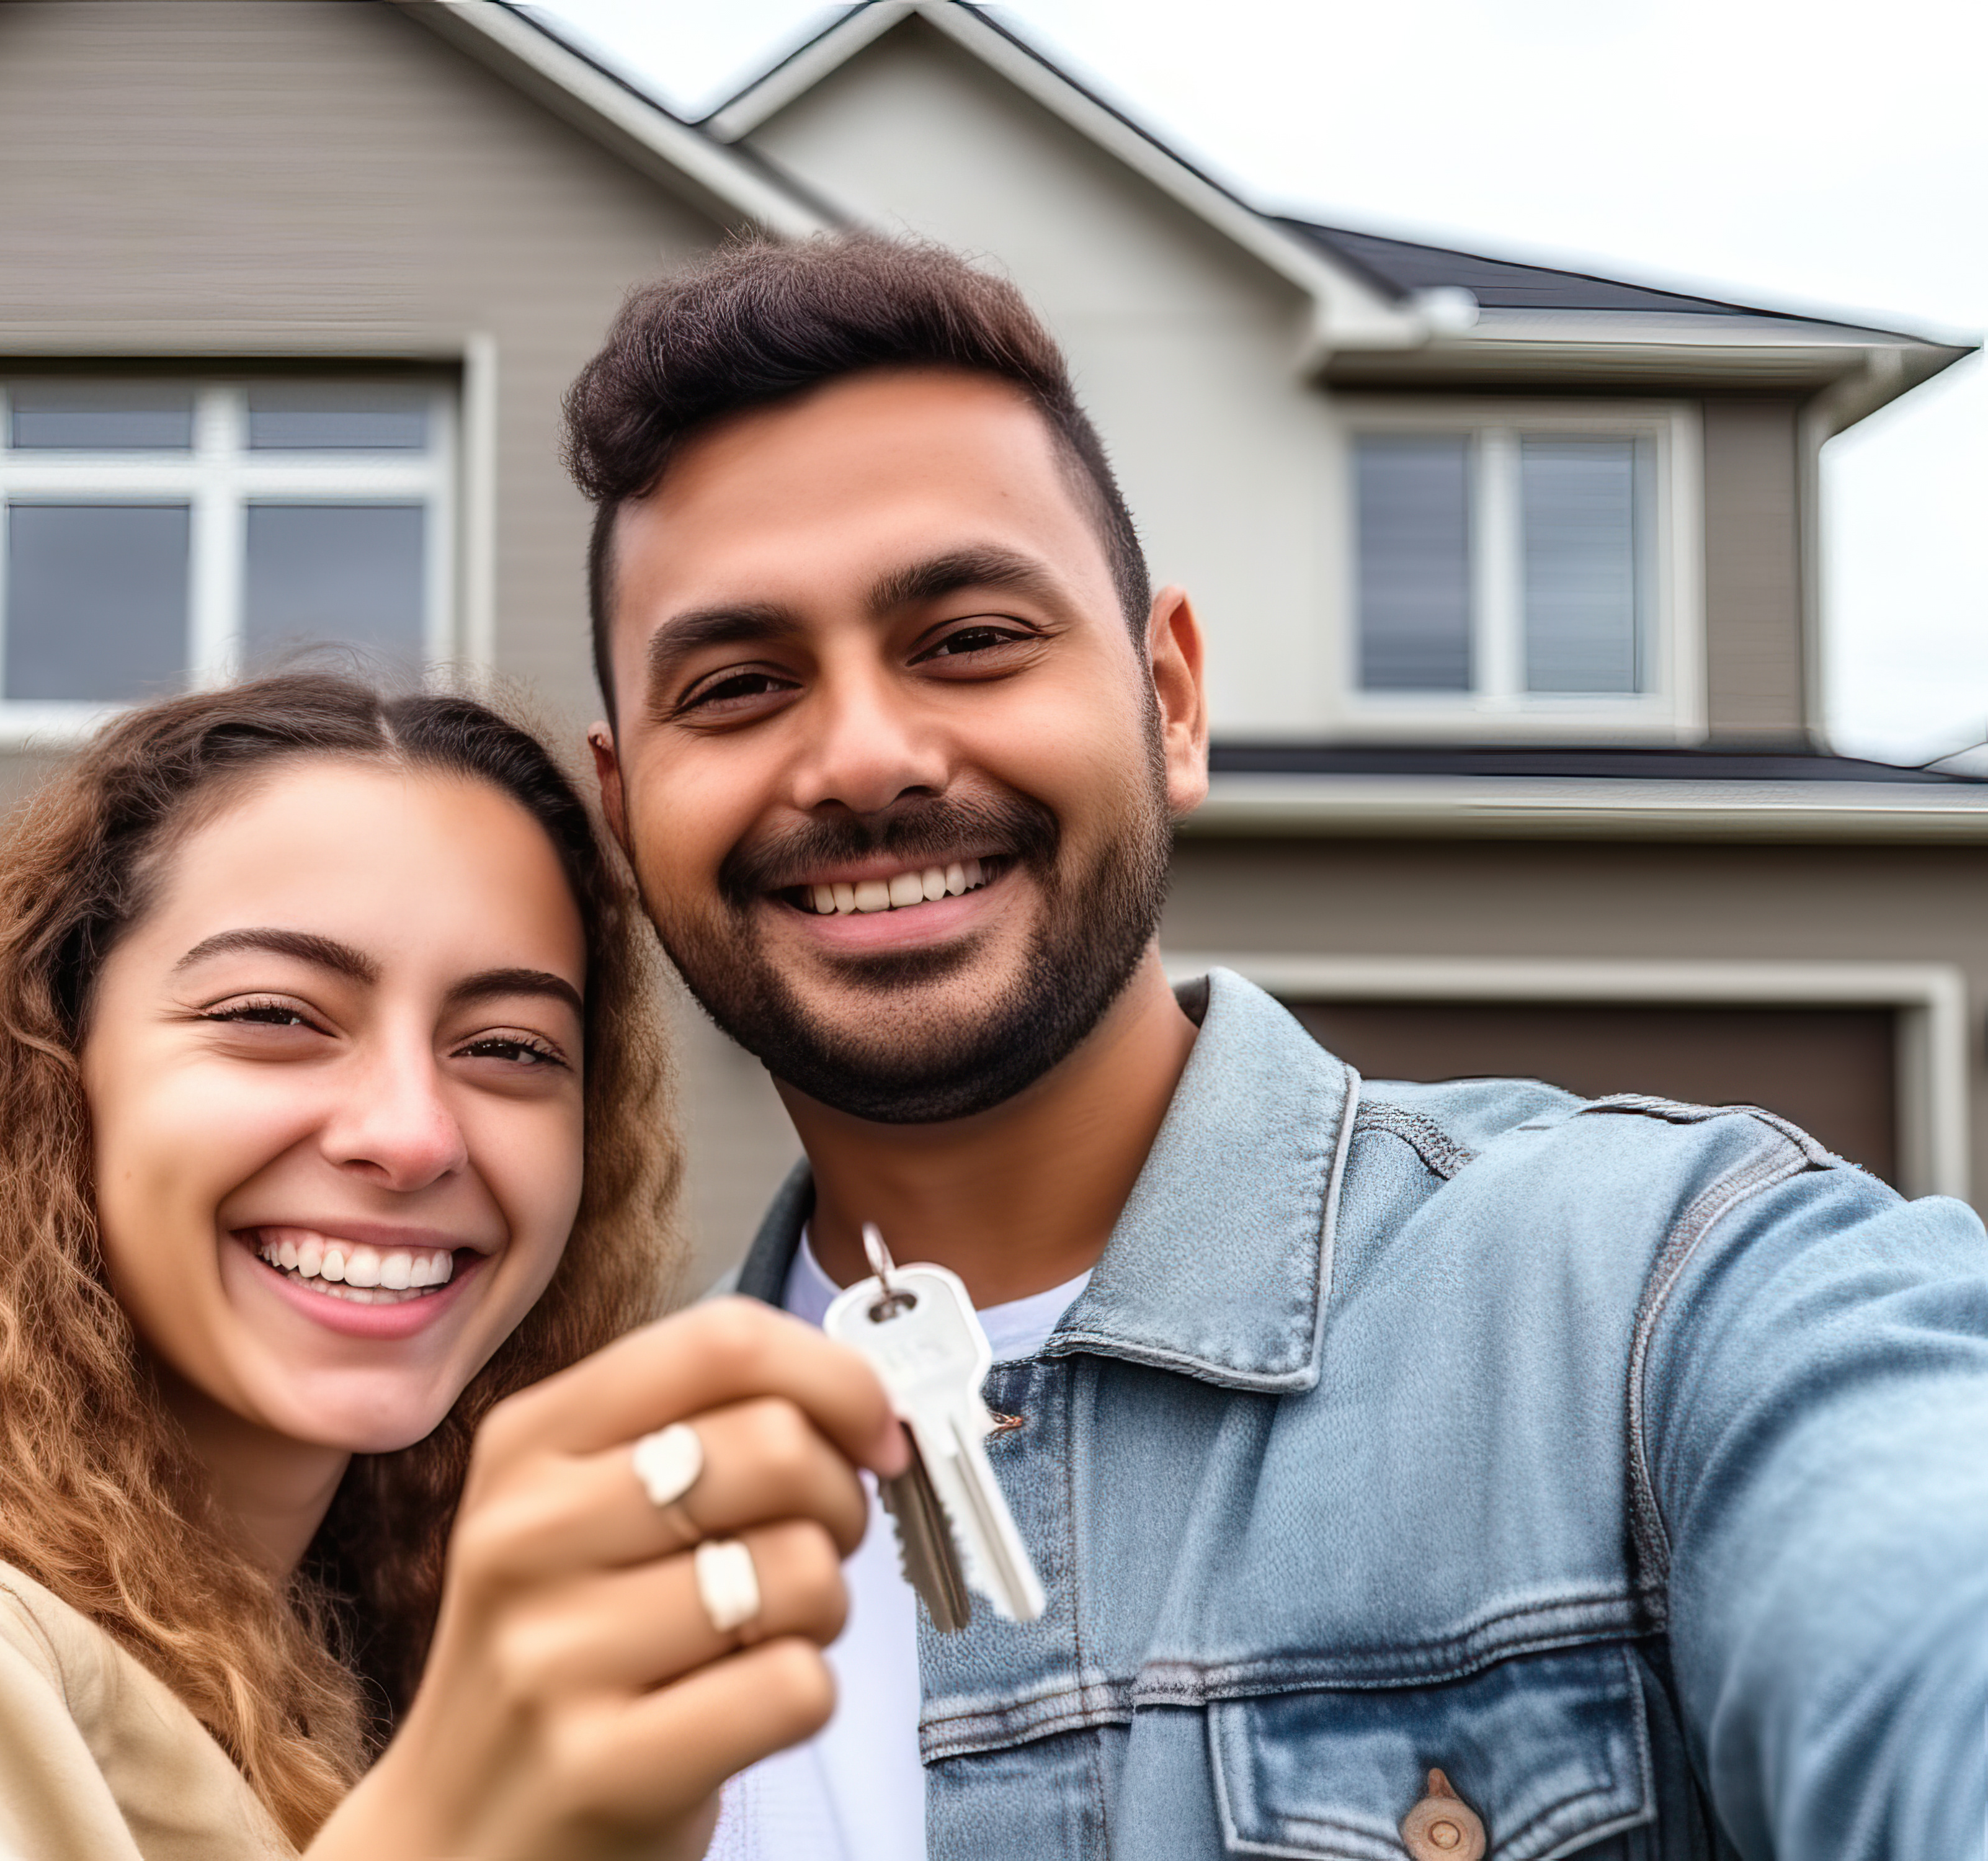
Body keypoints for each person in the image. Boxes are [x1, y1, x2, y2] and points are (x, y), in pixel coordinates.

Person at [566, 236, 1988, 1860]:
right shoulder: (538, 1561)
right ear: (625, 815)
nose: (864, 757)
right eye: (739, 684)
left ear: (1168, 701)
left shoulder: (1655, 1291)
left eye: (966, 639)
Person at [0, 673, 908, 1861]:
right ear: (50, 1069)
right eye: (276, 1013)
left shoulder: (350, 1627)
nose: (412, 1133)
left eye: (511, 1048)